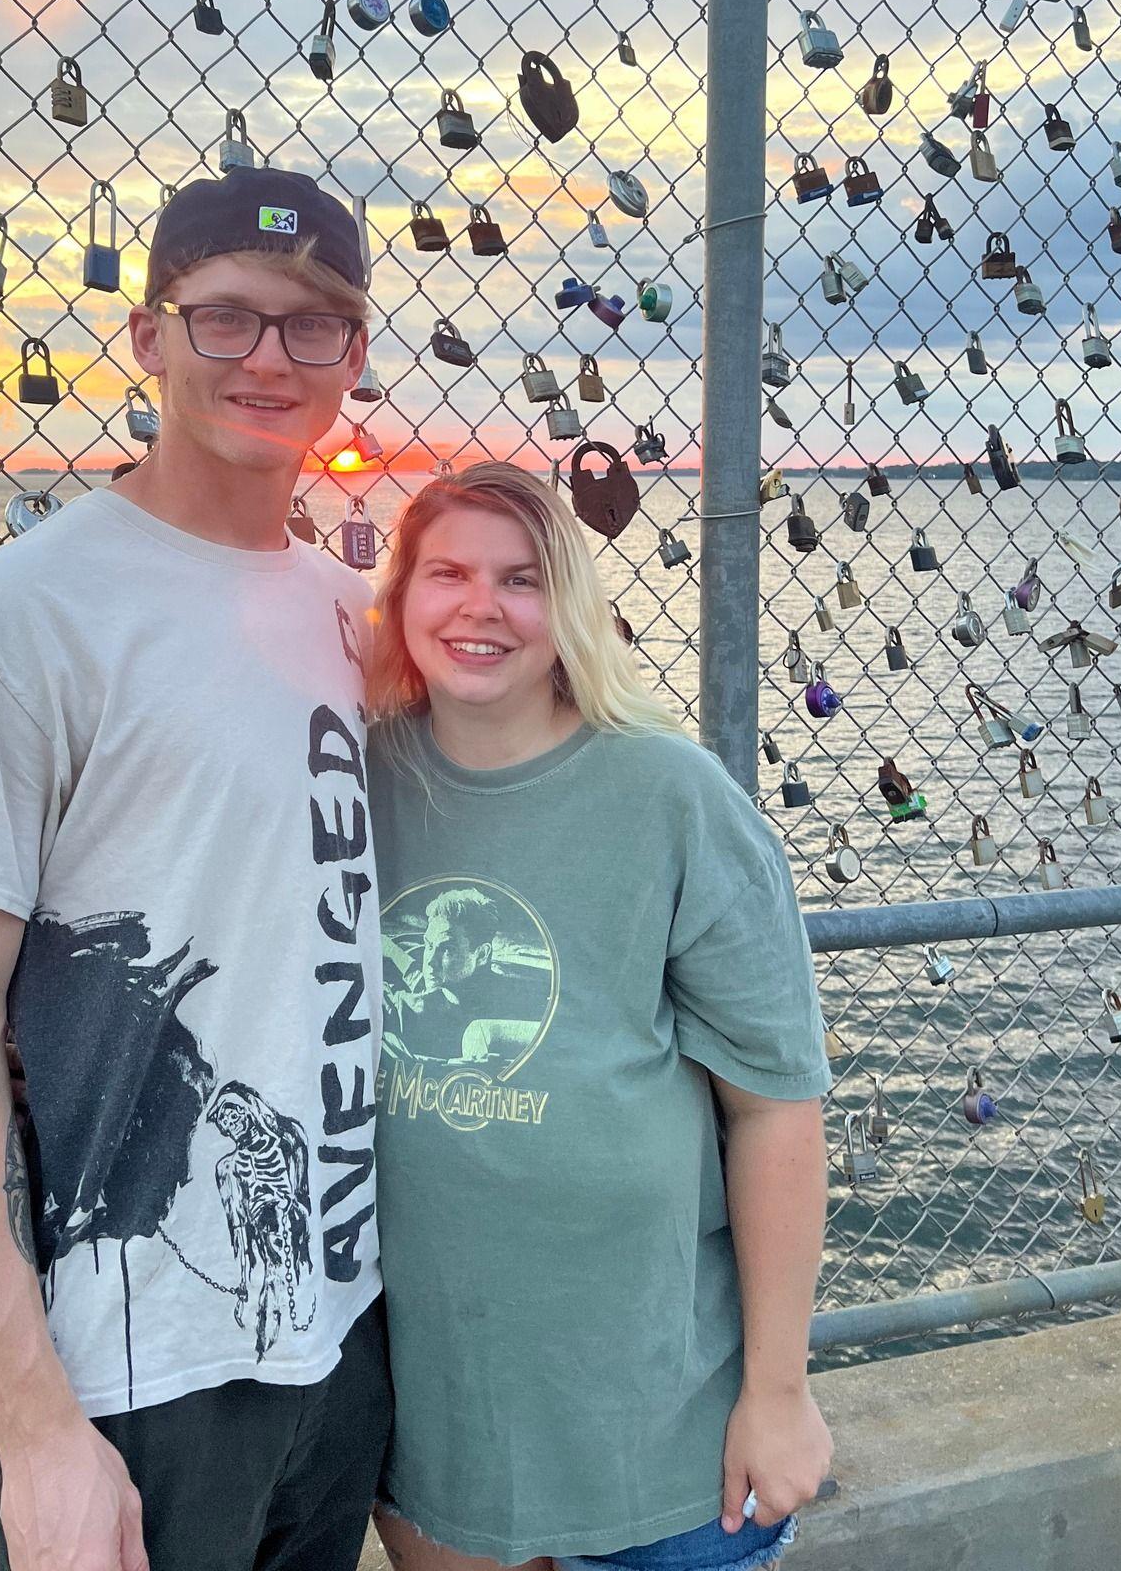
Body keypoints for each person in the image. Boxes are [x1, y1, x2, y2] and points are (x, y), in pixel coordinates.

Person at [0, 167, 392, 1571]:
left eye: (314, 327)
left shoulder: (365, 616)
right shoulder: (21, 620)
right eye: (226, 318)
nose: (269, 360)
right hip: (130, 1373)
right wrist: (36, 1425)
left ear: (356, 357)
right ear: (148, 337)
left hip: (342, 1330)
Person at [363, 463, 833, 1571]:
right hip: (436, 1440)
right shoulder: (352, 779)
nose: (479, 606)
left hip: (661, 1449)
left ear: (567, 606)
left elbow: (775, 1109)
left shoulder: (669, 793)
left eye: (519, 579)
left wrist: (777, 1390)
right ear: (400, 597)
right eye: (446, 574)